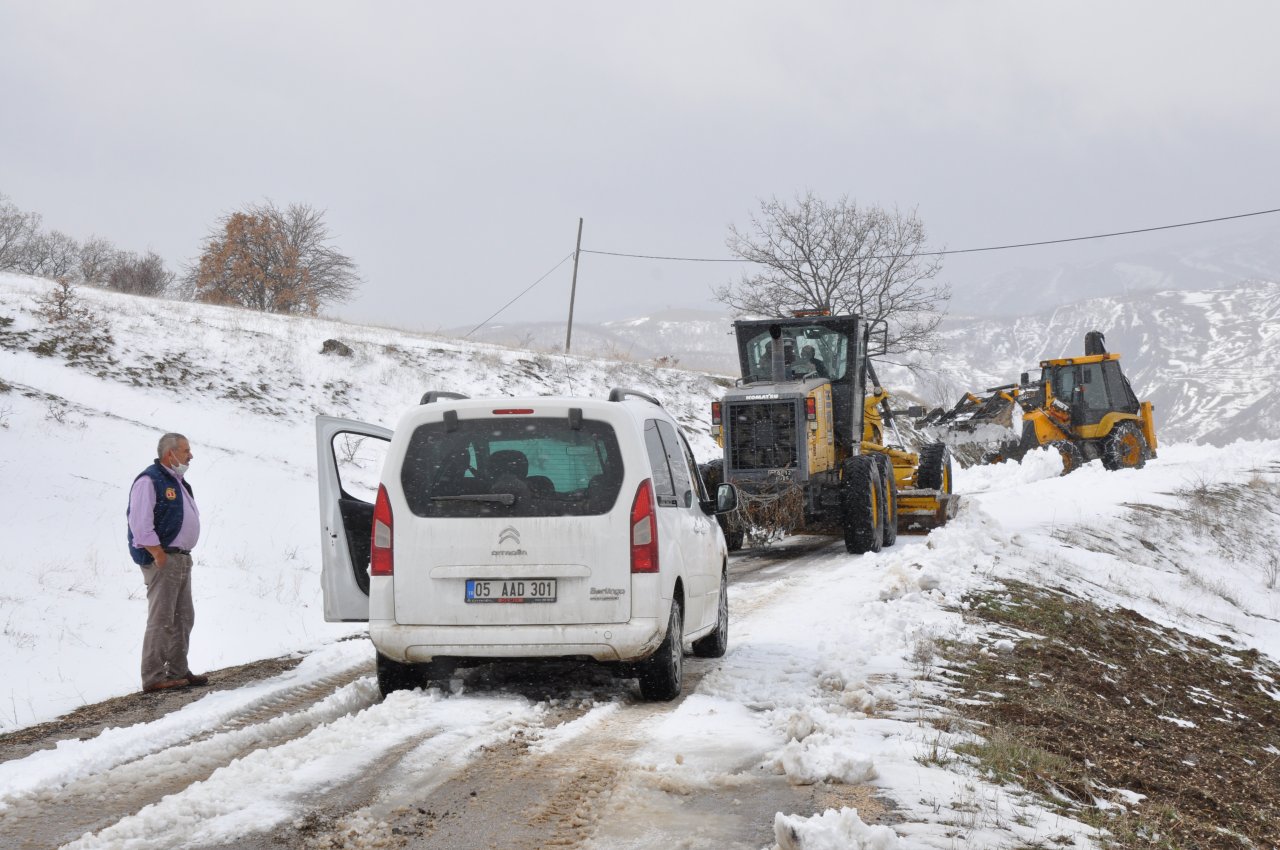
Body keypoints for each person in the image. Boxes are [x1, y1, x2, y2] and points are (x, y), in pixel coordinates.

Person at [127, 433, 207, 693]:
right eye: (186, 450)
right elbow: (140, 523)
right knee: (162, 618)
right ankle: (153, 677)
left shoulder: (177, 481)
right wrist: (158, 554)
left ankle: (177, 671)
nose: (190, 455)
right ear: (169, 453)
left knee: (183, 616)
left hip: (181, 558)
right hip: (164, 558)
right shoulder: (150, 480)